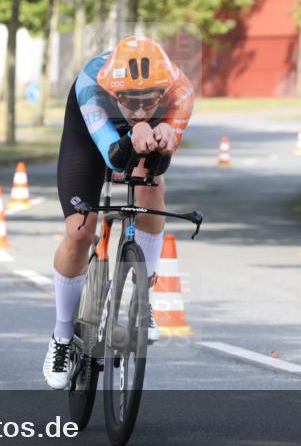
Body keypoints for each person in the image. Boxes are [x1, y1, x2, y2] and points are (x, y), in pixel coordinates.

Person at [43, 35, 194, 389]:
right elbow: (113, 156)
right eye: (129, 101)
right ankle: (62, 337)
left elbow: (160, 156)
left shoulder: (180, 90)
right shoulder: (91, 85)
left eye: (150, 100)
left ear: (164, 91)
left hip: (142, 137)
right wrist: (137, 129)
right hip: (91, 135)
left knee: (151, 185)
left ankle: (144, 297)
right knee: (80, 231)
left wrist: (165, 138)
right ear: (114, 93)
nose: (140, 109)